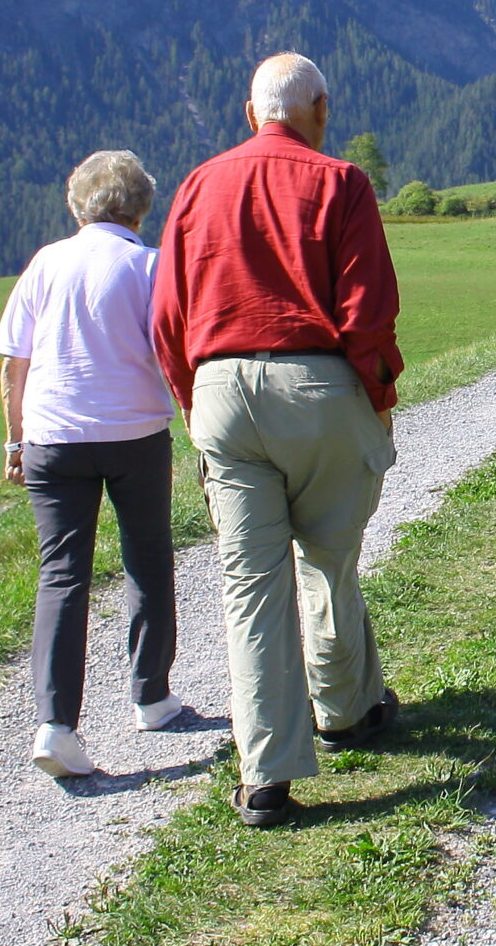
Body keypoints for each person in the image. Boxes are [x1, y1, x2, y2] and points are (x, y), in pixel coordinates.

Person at [151, 53, 403, 827]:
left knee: (250, 586)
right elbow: (368, 310)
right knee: (328, 552)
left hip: (222, 392)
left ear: (248, 111)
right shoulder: (342, 183)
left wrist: (198, 404)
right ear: (320, 108)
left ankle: (266, 775)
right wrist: (378, 397)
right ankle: (346, 710)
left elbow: (167, 316)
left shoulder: (196, 186)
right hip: (320, 384)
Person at [0, 149, 184, 779]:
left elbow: (13, 363)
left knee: (62, 573)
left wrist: (15, 442)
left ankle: (56, 725)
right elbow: (172, 355)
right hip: (134, 433)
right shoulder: (150, 265)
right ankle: (151, 697)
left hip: (52, 437)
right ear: (142, 206)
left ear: (78, 204)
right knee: (148, 556)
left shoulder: (45, 263)